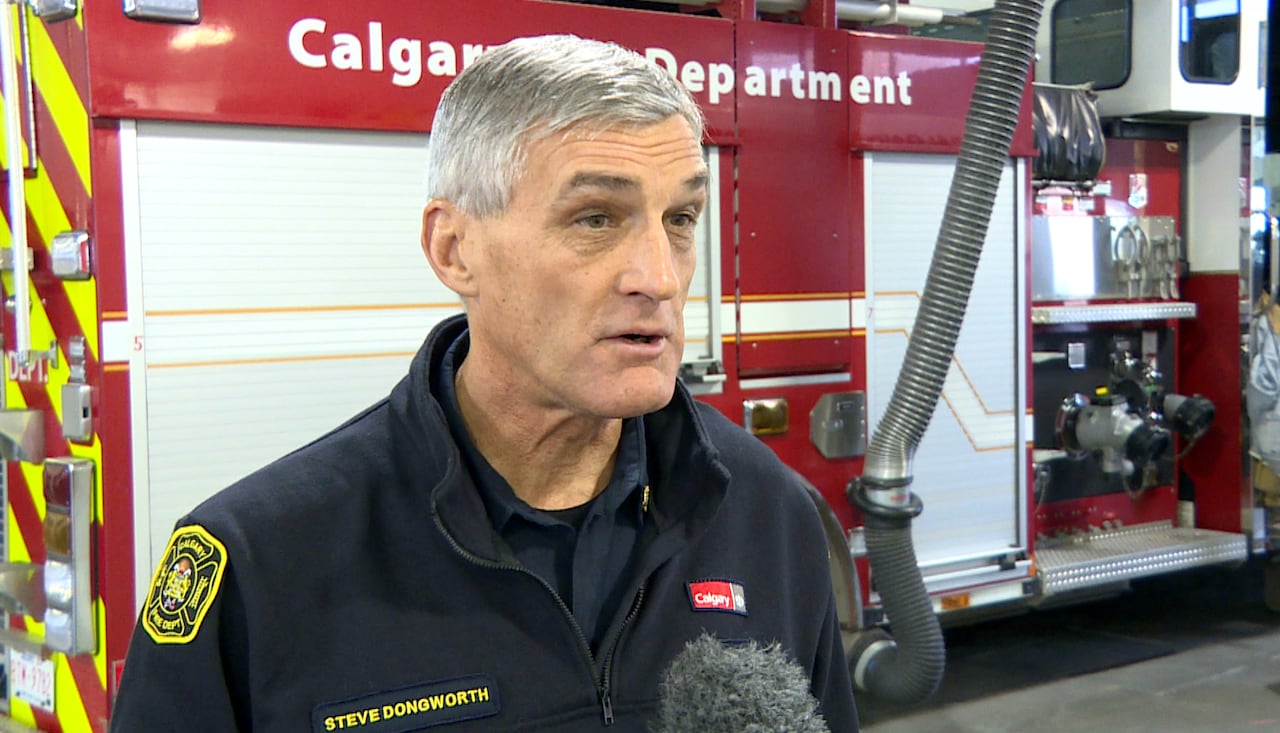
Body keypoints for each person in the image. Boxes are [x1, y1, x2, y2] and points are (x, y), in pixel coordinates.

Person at [110, 34, 860, 732]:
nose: (660, 278)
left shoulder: (770, 514)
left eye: (681, 216)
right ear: (454, 248)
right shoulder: (258, 563)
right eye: (596, 219)